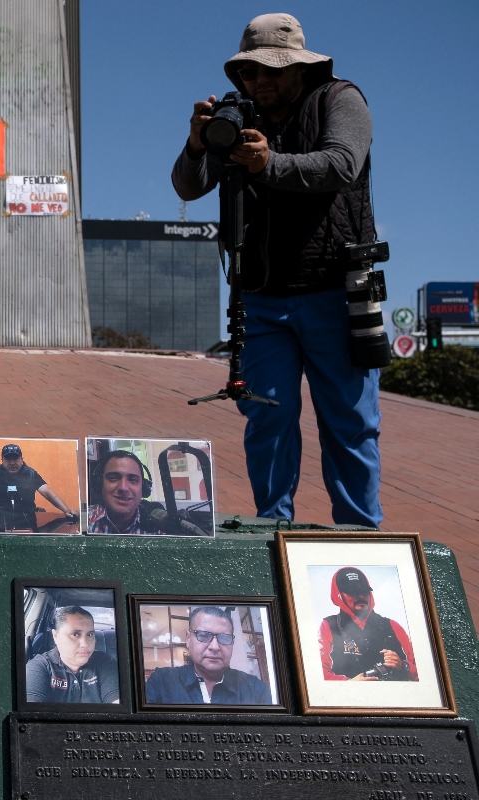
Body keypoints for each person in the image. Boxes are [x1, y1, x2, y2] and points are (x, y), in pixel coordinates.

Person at [172, 14, 382, 528]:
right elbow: (186, 186)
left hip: (336, 290)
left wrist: (271, 163)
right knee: (266, 417)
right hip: (261, 296)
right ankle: (273, 529)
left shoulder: (338, 99)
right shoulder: (237, 114)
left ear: (300, 69)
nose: (259, 82)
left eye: (271, 72)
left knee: (350, 422)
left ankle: (360, 533)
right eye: (249, 73)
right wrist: (200, 143)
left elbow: (342, 164)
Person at [145, 607, 272, 705]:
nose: (215, 647)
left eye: (224, 637)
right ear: (188, 639)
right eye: (204, 635)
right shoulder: (161, 682)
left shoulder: (256, 689)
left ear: (232, 643)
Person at [318, 567, 417, 681]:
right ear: (338, 595)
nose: (360, 596)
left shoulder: (392, 626)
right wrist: (349, 683)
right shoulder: (328, 626)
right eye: (352, 591)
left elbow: (424, 672)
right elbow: (318, 674)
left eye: (364, 590)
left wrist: (403, 666)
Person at [0, 443, 78, 531]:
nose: (12, 463)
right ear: (2, 460)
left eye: (15, 458)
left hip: (26, 520)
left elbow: (47, 492)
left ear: (21, 459)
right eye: (8, 459)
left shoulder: (30, 473)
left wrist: (66, 510)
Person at [25, 605, 119, 704]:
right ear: (55, 636)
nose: (85, 644)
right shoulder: (39, 666)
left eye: (90, 634)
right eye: (75, 634)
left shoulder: (105, 662)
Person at [87, 450, 148, 534]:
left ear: (144, 487)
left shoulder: (161, 528)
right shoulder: (83, 521)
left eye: (133, 480)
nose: (123, 488)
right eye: (113, 478)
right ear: (99, 483)